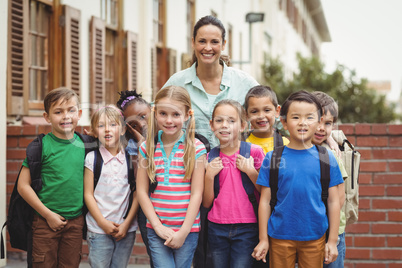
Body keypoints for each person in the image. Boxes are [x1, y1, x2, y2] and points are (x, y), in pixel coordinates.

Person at [252, 90, 344, 267]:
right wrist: (263, 239)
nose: (302, 122)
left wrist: (332, 241)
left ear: (318, 122)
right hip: (279, 236)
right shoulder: (273, 158)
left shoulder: (326, 158)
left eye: (309, 117)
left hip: (315, 236)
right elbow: (265, 201)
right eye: (295, 117)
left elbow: (334, 202)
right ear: (284, 123)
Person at [163, 15, 259, 148]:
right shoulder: (177, 82)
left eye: (214, 42)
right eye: (202, 41)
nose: (208, 48)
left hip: (235, 165)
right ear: (193, 42)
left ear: (224, 44)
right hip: (188, 165)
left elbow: (270, 116)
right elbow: (154, 115)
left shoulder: (245, 83)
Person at [136, 86, 206, 267]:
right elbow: (142, 191)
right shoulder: (147, 147)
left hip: (187, 231)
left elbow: (197, 194)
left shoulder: (196, 148)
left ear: (187, 114)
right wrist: (158, 226)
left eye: (176, 114)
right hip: (156, 228)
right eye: (163, 114)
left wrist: (183, 232)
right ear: (155, 113)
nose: (169, 120)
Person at [17, 88, 88, 267]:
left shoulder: (86, 145)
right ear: (47, 117)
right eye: (58, 112)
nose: (66, 116)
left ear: (79, 114)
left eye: (71, 110)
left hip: (75, 221)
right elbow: (23, 186)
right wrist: (48, 215)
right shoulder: (41, 147)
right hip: (44, 221)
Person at [203, 99, 265, 267]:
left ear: (243, 126)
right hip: (216, 227)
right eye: (219, 120)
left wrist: (251, 171)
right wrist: (209, 176)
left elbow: (266, 192)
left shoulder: (254, 152)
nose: (225, 125)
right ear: (212, 125)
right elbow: (207, 202)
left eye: (231, 121)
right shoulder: (209, 157)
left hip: (247, 227)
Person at [84, 105, 139, 267]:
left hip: (125, 230)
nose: (107, 130)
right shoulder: (92, 158)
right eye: (101, 126)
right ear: (94, 131)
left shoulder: (131, 158)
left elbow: (136, 193)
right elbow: (88, 194)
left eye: (113, 125)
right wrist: (102, 223)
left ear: (122, 130)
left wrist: (127, 223)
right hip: (98, 230)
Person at [116, 90, 154, 267]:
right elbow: (144, 179)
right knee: (157, 256)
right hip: (146, 211)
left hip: (175, 208)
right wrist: (142, 146)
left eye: (143, 116)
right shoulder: (130, 147)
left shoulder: (170, 136)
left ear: (152, 112)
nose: (141, 124)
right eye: (133, 123)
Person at [311, 91, 348, 268]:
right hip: (307, 232)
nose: (321, 128)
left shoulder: (331, 155)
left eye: (327, 124)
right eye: (317, 121)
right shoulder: (291, 149)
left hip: (332, 232)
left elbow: (340, 199)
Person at [245, 85, 289, 154]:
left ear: (277, 111)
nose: (261, 116)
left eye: (267, 110)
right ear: (247, 115)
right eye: (254, 111)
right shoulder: (241, 143)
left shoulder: (285, 144)